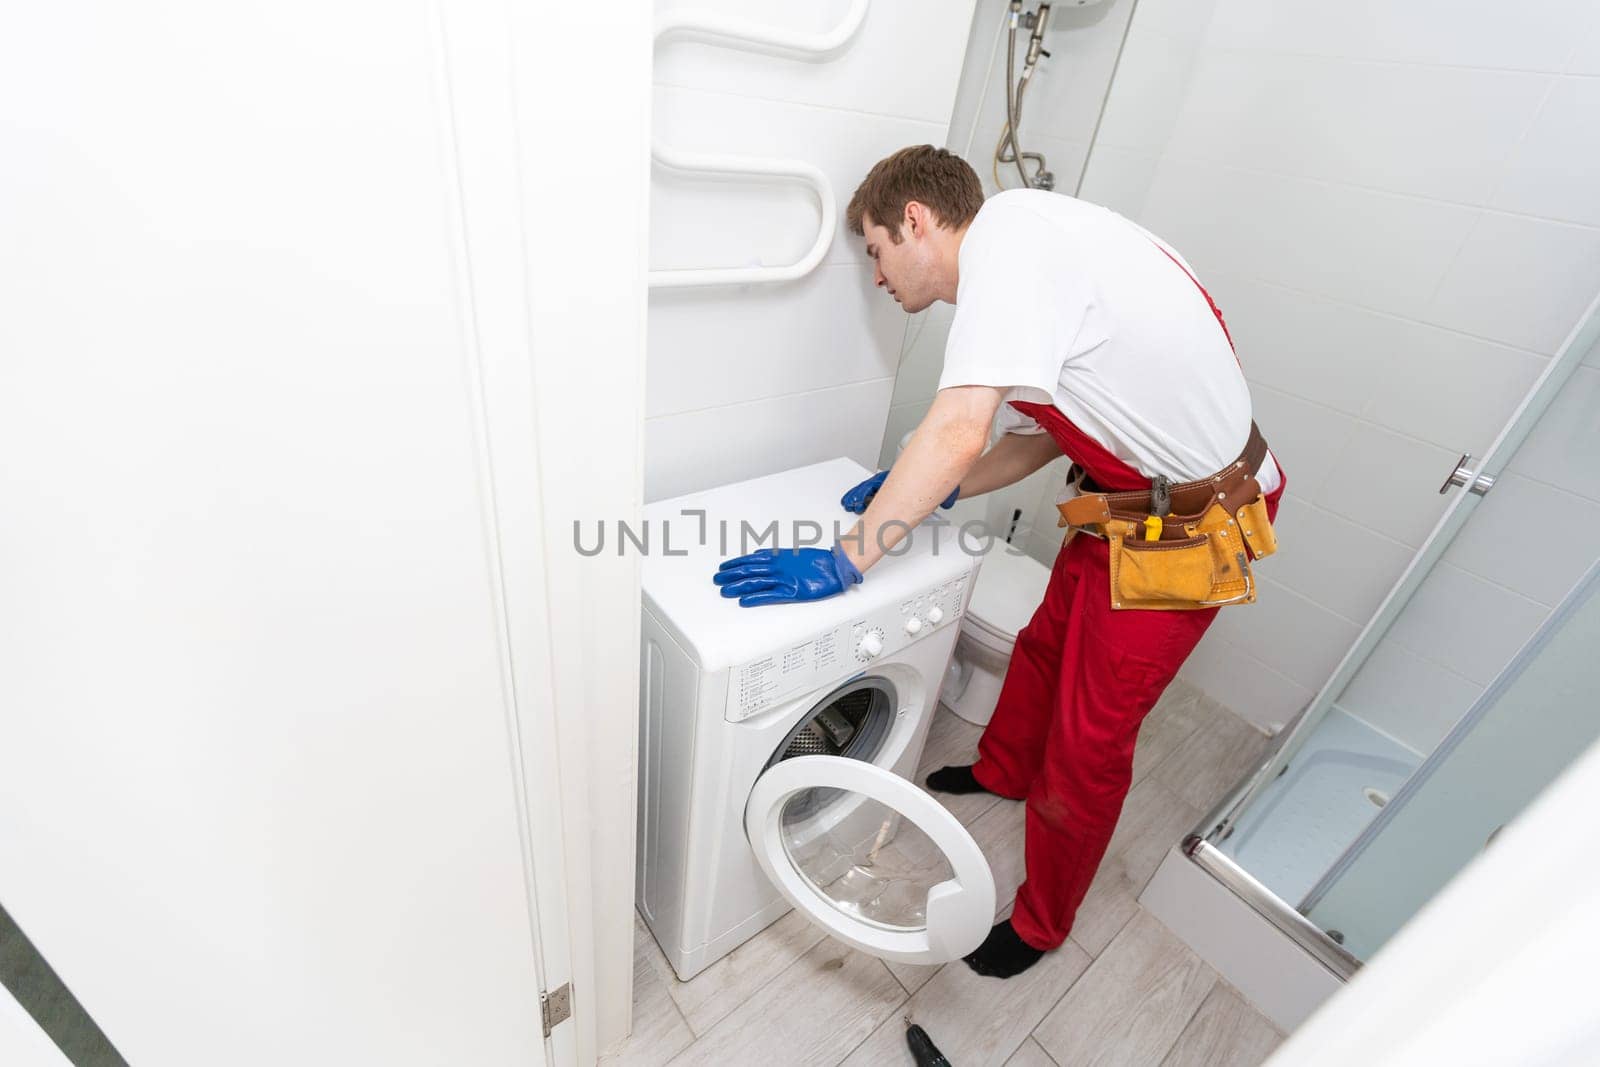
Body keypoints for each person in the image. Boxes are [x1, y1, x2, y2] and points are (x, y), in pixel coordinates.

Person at [712, 145, 1285, 978]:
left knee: (1092, 737)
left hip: (1199, 521)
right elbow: (1042, 436)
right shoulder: (1037, 246)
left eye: (875, 249)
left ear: (915, 221)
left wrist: (847, 560)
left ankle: (1045, 921)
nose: (877, 275)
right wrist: (929, 490)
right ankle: (1002, 767)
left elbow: (957, 430)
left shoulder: (1009, 253)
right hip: (1131, 498)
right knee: (1048, 640)